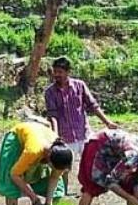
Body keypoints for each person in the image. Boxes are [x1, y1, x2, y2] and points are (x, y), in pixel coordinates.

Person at [45, 56, 117, 194]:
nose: (57, 75)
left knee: (89, 164)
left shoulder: (79, 86)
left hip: (83, 133)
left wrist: (107, 122)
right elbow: (52, 115)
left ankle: (88, 189)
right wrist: (55, 135)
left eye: (60, 72)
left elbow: (93, 105)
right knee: (63, 167)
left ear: (68, 72)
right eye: (55, 72)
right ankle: (63, 192)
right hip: (64, 136)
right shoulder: (50, 92)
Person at [0, 120, 73, 205]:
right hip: (17, 139)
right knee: (10, 184)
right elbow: (15, 175)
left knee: (58, 188)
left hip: (39, 139)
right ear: (49, 158)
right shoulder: (33, 151)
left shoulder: (62, 153)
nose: (56, 170)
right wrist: (34, 199)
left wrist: (48, 204)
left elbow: (54, 178)